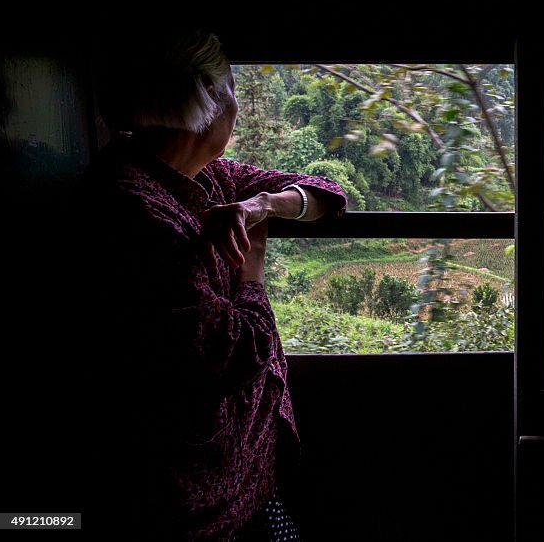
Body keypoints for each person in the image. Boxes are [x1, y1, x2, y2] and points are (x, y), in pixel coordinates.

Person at [77, 29, 346, 540]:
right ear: (208, 104)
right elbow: (235, 351)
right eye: (232, 94)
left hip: (241, 465)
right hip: (194, 493)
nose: (238, 109)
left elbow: (328, 193)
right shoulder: (136, 215)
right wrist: (253, 269)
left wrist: (261, 205)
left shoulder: (208, 177)